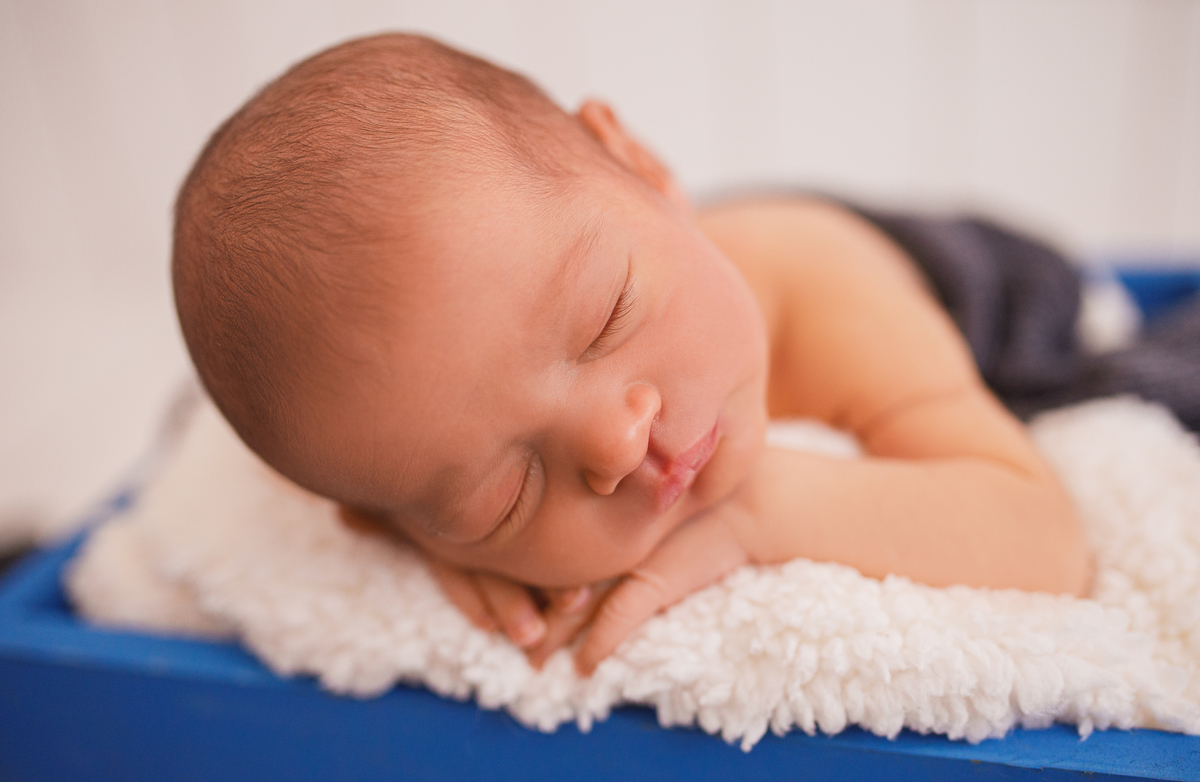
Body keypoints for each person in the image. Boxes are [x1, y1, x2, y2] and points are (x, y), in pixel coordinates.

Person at [172, 33, 1090, 677]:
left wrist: (756, 511)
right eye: (506, 493)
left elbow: (1046, 539)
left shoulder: (824, 290)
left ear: (641, 162)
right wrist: (456, 548)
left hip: (987, 292)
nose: (615, 445)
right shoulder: (404, 442)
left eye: (608, 317)